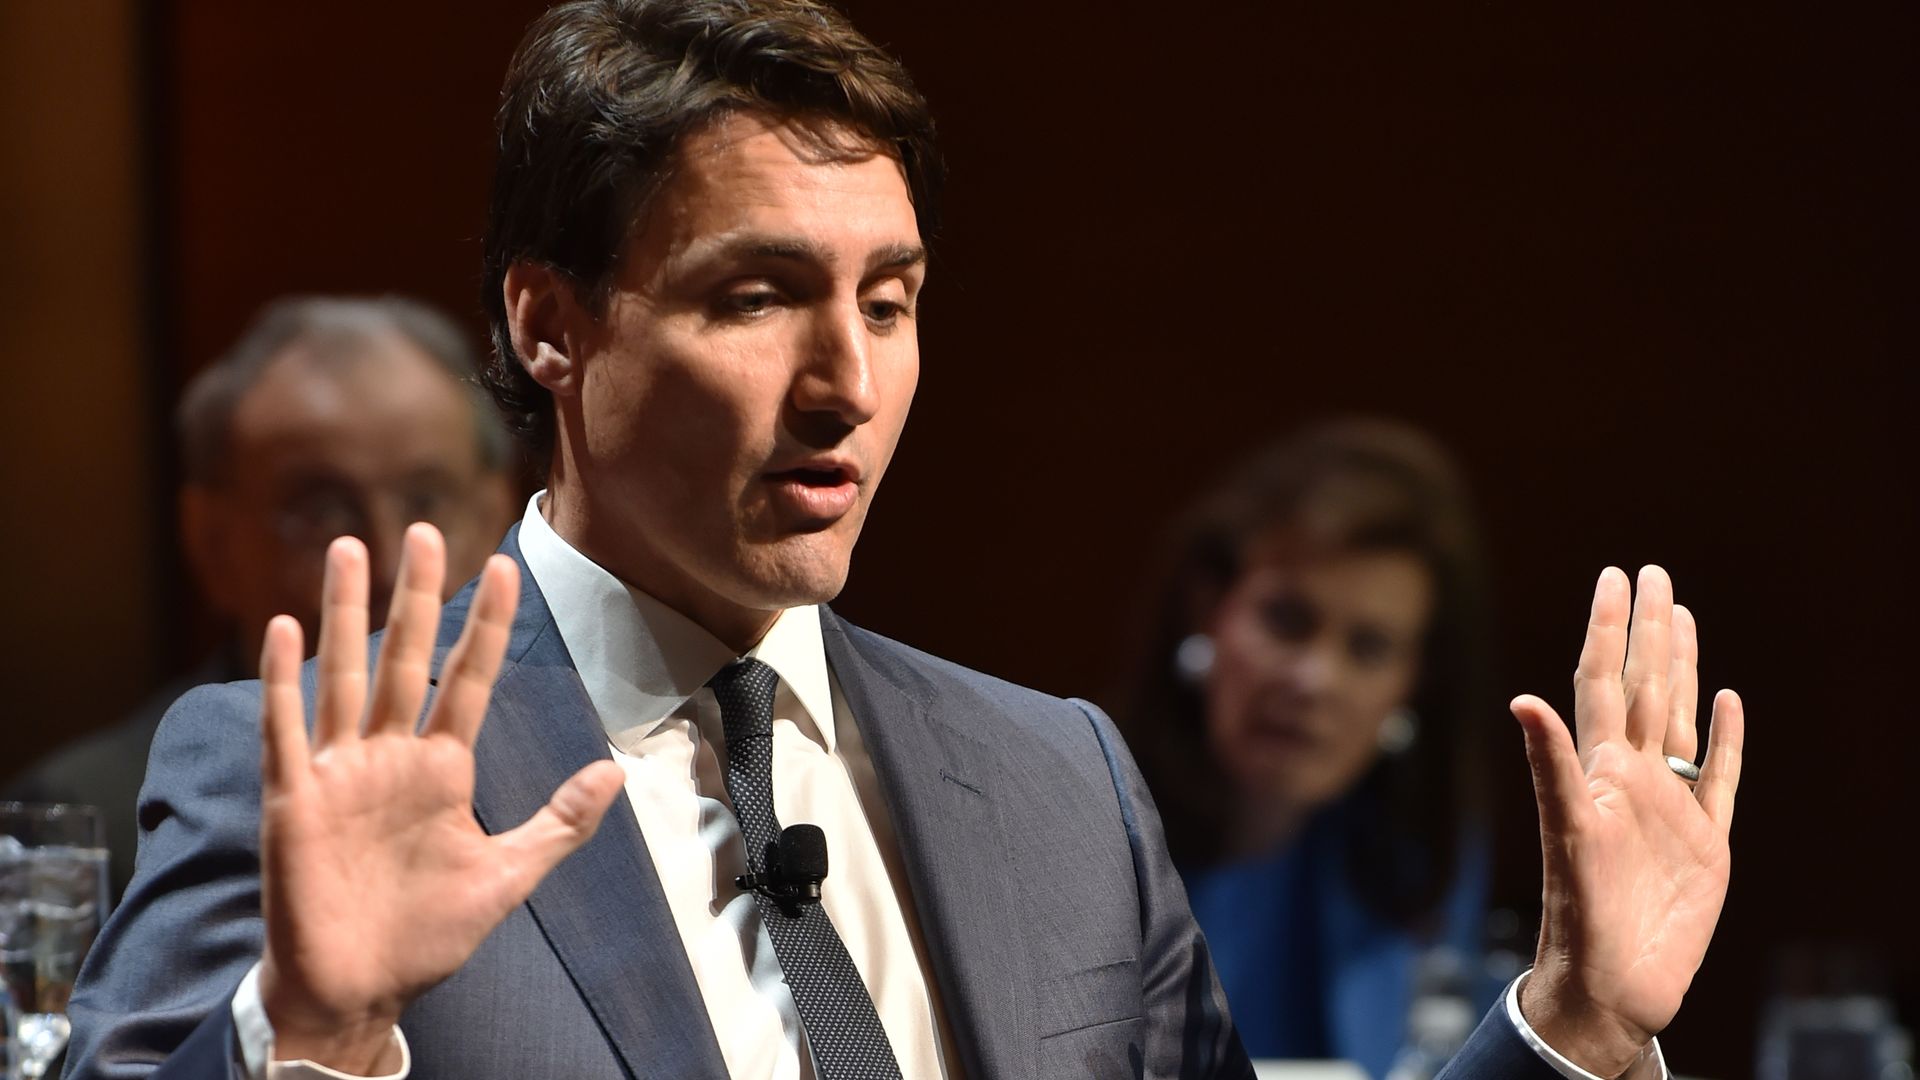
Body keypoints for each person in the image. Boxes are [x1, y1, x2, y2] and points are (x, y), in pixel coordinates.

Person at [64, 2, 1746, 1079]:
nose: (848, 386)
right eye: (756, 297)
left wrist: (1577, 1026)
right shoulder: (313, 765)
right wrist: (308, 1035)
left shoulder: (1059, 788)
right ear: (550, 324)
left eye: (890, 301)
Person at [2, 295, 515, 901]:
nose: (387, 565)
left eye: (425, 501)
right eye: (322, 511)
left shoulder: (575, 767)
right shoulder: (90, 822)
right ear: (213, 543)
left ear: (498, 513)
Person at [1115, 420, 1499, 1075]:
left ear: (1414, 682)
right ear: (1208, 608)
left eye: (1369, 648)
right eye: (1287, 620)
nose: (1315, 680)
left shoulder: (1424, 860)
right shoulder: (1080, 815)